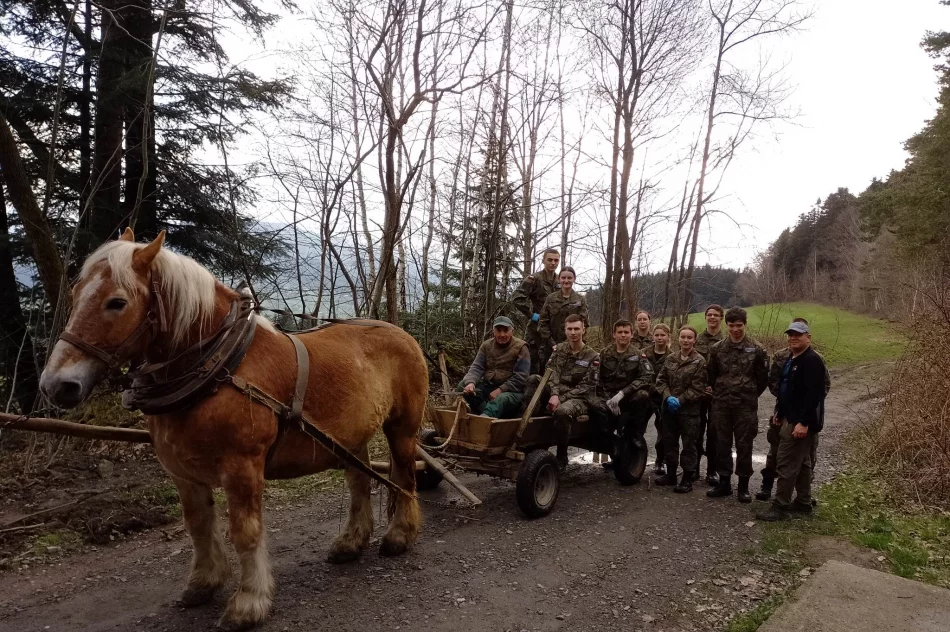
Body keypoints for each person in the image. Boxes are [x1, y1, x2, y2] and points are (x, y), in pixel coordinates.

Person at [757, 321, 828, 521]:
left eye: (798, 334)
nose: (793, 338)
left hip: (800, 422)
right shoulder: (793, 358)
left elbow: (814, 394)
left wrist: (803, 422)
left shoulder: (812, 360)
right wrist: (780, 411)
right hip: (789, 416)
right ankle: (804, 502)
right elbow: (787, 390)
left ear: (808, 337)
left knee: (786, 462)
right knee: (803, 462)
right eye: (790, 334)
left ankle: (780, 507)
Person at [706, 307, 769, 503]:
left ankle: (743, 487)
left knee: (744, 445)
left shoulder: (757, 349)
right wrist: (723, 392)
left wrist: (747, 393)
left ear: (745, 324)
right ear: (727, 325)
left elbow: (762, 379)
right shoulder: (717, 349)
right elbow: (712, 375)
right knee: (722, 444)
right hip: (722, 405)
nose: (735, 329)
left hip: (745, 406)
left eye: (739, 325)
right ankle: (724, 483)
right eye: (731, 325)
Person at [524, 314, 598, 470]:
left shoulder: (593, 356)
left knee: (562, 412)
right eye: (569, 329)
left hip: (579, 398)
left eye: (576, 329)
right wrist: (554, 394)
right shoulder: (559, 349)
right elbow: (551, 373)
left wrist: (560, 398)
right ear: (565, 330)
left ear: (583, 330)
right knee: (534, 379)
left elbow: (587, 386)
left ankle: (562, 455)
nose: (573, 333)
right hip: (556, 392)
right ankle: (527, 429)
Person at [588, 319, 654, 469]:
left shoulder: (638, 355)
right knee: (593, 404)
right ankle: (609, 442)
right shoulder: (605, 353)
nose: (623, 335)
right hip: (609, 397)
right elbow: (596, 379)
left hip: (627, 397)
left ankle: (634, 434)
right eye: (620, 332)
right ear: (614, 335)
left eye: (626, 332)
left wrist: (622, 394)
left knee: (643, 395)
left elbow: (646, 377)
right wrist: (609, 399)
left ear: (631, 335)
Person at [653, 326, 708, 493]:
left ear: (694, 340)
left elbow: (698, 388)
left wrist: (679, 399)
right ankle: (671, 475)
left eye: (689, 338)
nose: (686, 340)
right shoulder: (670, 358)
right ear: (678, 339)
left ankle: (687, 479)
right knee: (669, 442)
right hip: (669, 410)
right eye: (683, 337)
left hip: (689, 412)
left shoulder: (699, 361)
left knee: (689, 445)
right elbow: (660, 380)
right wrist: (667, 396)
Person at [458, 316, 530, 418]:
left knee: (500, 399)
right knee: (463, 386)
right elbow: (477, 368)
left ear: (512, 331)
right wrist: (470, 383)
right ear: (493, 331)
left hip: (513, 392)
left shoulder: (521, 347)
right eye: (498, 330)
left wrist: (500, 390)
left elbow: (521, 378)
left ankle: (485, 419)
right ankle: (487, 412)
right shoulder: (486, 346)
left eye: (506, 330)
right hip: (489, 387)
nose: (502, 334)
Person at [511, 249, 561, 373]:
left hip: (553, 330)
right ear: (543, 260)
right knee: (530, 362)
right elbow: (517, 298)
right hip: (536, 328)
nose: (553, 263)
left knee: (550, 364)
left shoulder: (560, 280)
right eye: (550, 260)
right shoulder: (534, 279)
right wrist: (531, 315)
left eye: (556, 260)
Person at [695, 304, 725, 485]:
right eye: (709, 315)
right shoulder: (696, 339)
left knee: (714, 433)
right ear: (705, 317)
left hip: (717, 394)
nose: (712, 318)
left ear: (721, 318)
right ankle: (694, 468)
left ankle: (712, 470)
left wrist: (715, 386)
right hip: (698, 392)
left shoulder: (726, 341)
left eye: (716, 315)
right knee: (696, 431)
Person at [537, 267, 589, 367]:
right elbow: (542, 323)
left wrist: (571, 345)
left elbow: (584, 324)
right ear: (559, 279)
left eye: (569, 278)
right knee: (549, 376)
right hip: (550, 347)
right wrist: (553, 344)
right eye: (563, 277)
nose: (566, 280)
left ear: (574, 279)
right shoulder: (551, 298)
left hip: (574, 346)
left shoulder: (580, 300)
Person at [644, 323, 672, 475]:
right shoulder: (643, 354)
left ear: (668, 337)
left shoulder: (673, 356)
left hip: (662, 398)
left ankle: (660, 461)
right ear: (652, 336)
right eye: (657, 335)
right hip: (645, 397)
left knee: (663, 431)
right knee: (636, 428)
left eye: (663, 335)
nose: (660, 338)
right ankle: (633, 458)